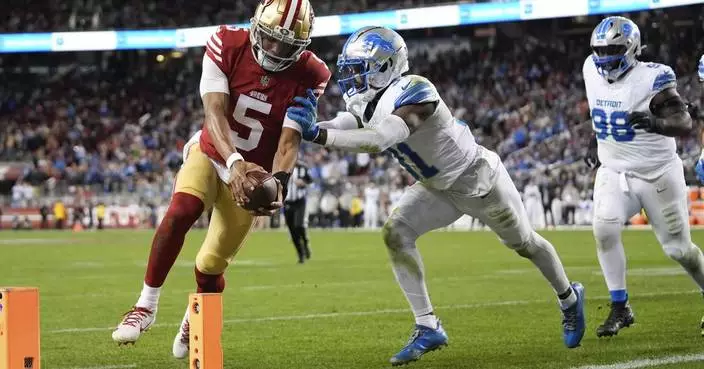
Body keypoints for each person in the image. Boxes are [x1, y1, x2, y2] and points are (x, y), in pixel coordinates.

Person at [286, 26, 585, 365]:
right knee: (396, 233)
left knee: (526, 245)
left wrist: (319, 136)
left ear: (385, 65)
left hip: (477, 180)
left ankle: (569, 298)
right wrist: (309, 126)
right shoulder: (370, 100)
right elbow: (348, 121)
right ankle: (428, 325)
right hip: (437, 188)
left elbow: (381, 138)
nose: (351, 78)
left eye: (358, 69)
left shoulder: (415, 90)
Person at [111, 0, 330, 360]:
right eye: (271, 39)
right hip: (214, 153)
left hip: (252, 177)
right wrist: (233, 162)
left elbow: (290, 139)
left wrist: (279, 183)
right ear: (256, 27)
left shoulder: (312, 74)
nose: (275, 51)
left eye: (286, 45)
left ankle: (193, 317)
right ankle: (145, 305)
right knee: (181, 210)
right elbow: (214, 111)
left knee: (211, 264)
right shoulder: (226, 43)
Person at [583, 16, 704, 338]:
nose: (605, 55)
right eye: (600, 49)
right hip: (614, 171)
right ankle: (620, 306)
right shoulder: (588, 70)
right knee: (604, 228)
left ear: (631, 48)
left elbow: (683, 123)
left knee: (679, 250)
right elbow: (596, 111)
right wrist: (593, 143)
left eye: (613, 48)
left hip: (657, 173)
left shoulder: (654, 77)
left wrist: (655, 124)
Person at [284, 160, 313, 263]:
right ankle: (301, 254)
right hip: (287, 203)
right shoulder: (282, 166)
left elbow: (310, 180)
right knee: (292, 231)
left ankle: (305, 242)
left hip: (299, 201)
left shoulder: (303, 168)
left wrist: (303, 182)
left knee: (299, 225)